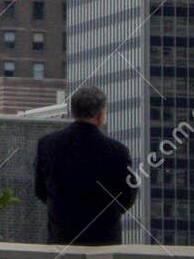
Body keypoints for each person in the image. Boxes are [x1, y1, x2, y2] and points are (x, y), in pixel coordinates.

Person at [34, 85, 136, 244]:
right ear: (100, 115)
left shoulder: (47, 145)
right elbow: (127, 197)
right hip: (104, 242)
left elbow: (41, 190)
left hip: (62, 239)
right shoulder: (118, 151)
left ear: (73, 112)